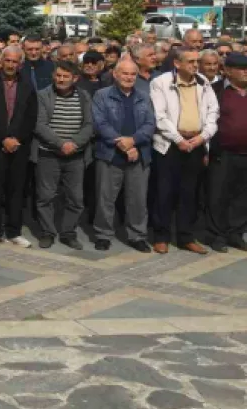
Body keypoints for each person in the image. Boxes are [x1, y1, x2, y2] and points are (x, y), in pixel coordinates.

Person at [149, 49, 218, 255]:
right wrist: (179, 140)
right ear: (177, 64)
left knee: (190, 193)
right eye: (190, 61)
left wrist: (203, 137)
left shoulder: (203, 82)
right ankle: (161, 236)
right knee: (164, 192)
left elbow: (213, 112)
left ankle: (186, 237)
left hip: (196, 143)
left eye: (197, 61)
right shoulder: (160, 82)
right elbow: (159, 116)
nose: (195, 65)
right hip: (170, 146)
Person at [92, 59, 156, 252]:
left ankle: (137, 236)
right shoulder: (101, 95)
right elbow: (100, 123)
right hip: (110, 153)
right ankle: (103, 235)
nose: (129, 77)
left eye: (133, 74)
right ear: (115, 74)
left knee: (137, 199)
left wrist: (134, 141)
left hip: (139, 154)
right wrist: (122, 143)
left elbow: (150, 124)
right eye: (125, 73)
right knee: (106, 198)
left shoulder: (144, 97)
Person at [0, 46, 38, 248]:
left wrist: (16, 139)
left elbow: (31, 116)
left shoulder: (28, 84)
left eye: (15, 62)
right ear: (2, 61)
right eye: (8, 61)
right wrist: (3, 138)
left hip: (19, 145)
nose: (11, 65)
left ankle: (14, 231)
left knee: (16, 189)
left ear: (20, 63)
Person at [32, 60, 93, 249]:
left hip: (75, 155)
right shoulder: (43, 95)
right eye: (58, 75)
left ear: (75, 78)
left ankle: (68, 232)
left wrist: (74, 143)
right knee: (46, 196)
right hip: (49, 153)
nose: (61, 79)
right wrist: (60, 144)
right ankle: (48, 232)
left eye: (66, 76)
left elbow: (90, 125)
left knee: (75, 198)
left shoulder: (84, 96)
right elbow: (39, 124)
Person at [207, 53, 247, 252]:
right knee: (218, 195)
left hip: (245, 154)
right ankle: (218, 235)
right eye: (241, 68)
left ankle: (236, 233)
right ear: (228, 71)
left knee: (242, 197)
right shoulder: (215, 91)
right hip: (223, 153)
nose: (245, 72)